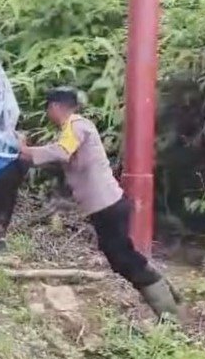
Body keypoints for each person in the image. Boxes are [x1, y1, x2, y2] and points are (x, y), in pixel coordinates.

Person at [17, 87, 181, 318]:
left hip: (109, 205)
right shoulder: (73, 130)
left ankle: (170, 314)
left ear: (54, 107)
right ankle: (166, 292)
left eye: (48, 110)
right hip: (105, 207)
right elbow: (62, 160)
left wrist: (24, 150)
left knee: (123, 258)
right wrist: (26, 155)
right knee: (120, 256)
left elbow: (61, 152)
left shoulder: (76, 125)